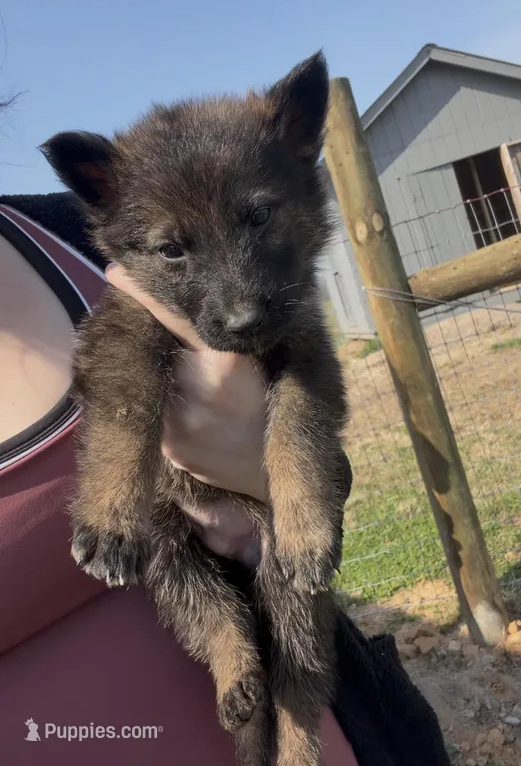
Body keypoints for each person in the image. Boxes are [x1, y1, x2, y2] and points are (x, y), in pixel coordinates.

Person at [105, 262, 451, 766]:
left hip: (276, 543)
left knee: (299, 643)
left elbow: (328, 466)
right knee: (195, 587)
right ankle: (232, 661)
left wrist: (273, 480)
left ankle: (298, 747)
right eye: (175, 249)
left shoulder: (74, 246)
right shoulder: (128, 264)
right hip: (170, 598)